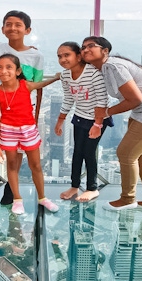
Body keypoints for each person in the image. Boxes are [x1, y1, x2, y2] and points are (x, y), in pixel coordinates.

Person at [81, 36, 142, 210]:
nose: (85, 49)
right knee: (141, 155)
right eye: (83, 47)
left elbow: (135, 99)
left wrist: (106, 112)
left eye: (91, 46)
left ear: (105, 51)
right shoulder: (105, 67)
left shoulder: (112, 66)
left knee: (125, 154)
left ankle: (128, 199)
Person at [0, 10, 45, 204]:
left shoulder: (36, 56)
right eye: (8, 24)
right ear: (3, 29)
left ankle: (9, 189)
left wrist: (36, 115)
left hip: (23, 107)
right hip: (3, 104)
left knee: (18, 149)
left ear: (27, 30)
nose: (13, 28)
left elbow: (37, 87)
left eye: (18, 24)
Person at [0, 54, 60, 215]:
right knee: (12, 165)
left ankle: (42, 198)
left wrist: (56, 78)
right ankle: (17, 199)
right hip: (8, 131)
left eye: (9, 67)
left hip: (28, 129)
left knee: (35, 165)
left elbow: (41, 83)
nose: (3, 71)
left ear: (18, 71)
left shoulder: (25, 86)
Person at [54, 41, 110, 202]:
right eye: (59, 56)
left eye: (67, 55)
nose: (63, 59)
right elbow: (69, 98)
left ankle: (93, 188)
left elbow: (102, 101)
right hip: (79, 116)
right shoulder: (65, 75)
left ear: (78, 56)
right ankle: (74, 185)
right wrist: (60, 121)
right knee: (77, 152)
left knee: (89, 152)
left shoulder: (93, 73)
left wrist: (98, 124)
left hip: (98, 118)